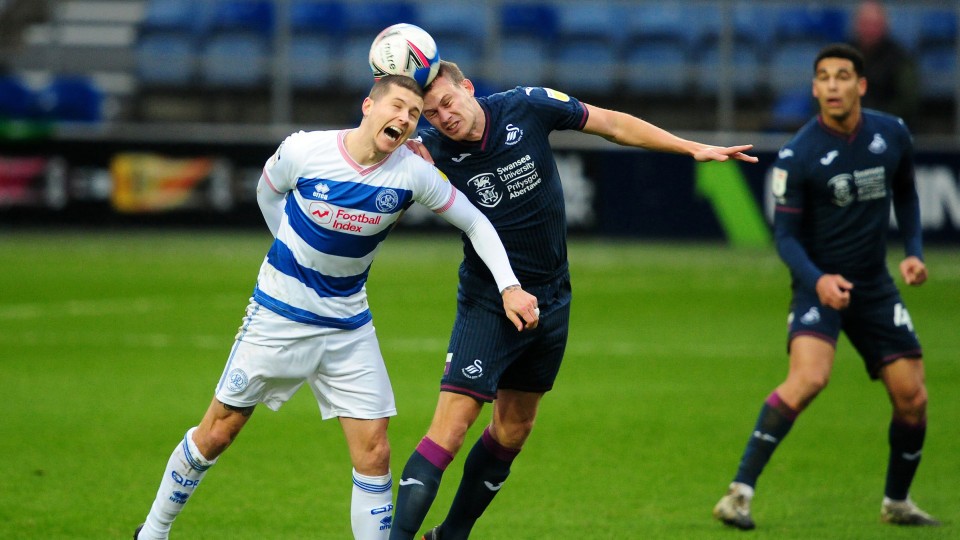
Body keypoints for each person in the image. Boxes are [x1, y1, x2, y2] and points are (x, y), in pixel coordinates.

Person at [133, 75, 540, 540]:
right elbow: (269, 191)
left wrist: (509, 286)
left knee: (375, 451)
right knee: (217, 432)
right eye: (397, 107)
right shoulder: (306, 150)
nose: (405, 118)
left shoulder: (412, 173)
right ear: (368, 106)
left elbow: (475, 222)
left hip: (348, 325)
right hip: (278, 317)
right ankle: (153, 532)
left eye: (413, 114)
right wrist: (289, 249)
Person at [389, 60, 758, 540]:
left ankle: (451, 534)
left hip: (552, 297)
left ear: (468, 88)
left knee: (514, 430)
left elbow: (612, 124)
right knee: (451, 429)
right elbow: (386, 204)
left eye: (447, 102)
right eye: (433, 114)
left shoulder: (526, 106)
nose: (444, 117)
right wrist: (403, 167)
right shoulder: (429, 150)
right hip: (489, 299)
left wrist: (689, 147)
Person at [712, 43, 938, 530]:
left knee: (913, 398)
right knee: (809, 378)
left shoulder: (892, 134)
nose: (833, 85)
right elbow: (785, 238)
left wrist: (914, 251)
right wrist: (818, 280)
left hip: (874, 285)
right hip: (818, 285)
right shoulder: (799, 154)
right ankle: (738, 494)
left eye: (842, 76)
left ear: (861, 85)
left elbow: (906, 193)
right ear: (814, 89)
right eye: (824, 77)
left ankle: (897, 502)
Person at [849, 0, 920, 128]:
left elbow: (908, 100)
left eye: (875, 25)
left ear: (885, 26)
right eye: (865, 24)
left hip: (888, 127)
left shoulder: (899, 57)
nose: (870, 30)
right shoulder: (842, 55)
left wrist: (876, 118)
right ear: (856, 25)